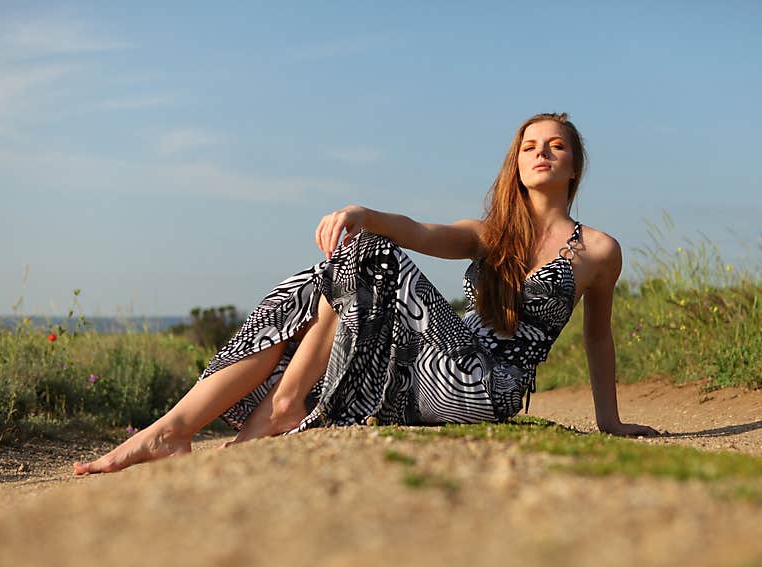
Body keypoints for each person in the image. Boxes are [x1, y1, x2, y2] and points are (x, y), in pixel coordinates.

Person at [73, 112, 658, 476]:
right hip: (425, 380)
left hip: (488, 387)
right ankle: (174, 429)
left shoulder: (599, 251)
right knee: (335, 268)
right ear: (516, 161)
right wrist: (361, 213)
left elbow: (598, 335)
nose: (541, 153)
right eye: (530, 145)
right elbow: (419, 233)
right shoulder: (490, 235)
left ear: (575, 164)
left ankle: (279, 409)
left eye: (555, 145)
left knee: (366, 256)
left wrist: (608, 421)